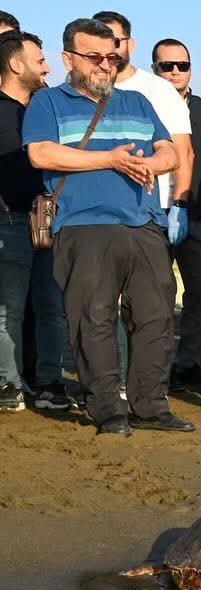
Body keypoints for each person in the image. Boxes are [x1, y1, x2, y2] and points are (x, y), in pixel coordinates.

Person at [25, 17, 193, 436]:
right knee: (93, 320)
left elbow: (170, 151)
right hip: (82, 228)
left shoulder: (137, 102)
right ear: (69, 58)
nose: (104, 65)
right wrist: (111, 159)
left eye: (112, 57)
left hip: (144, 225)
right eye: (94, 56)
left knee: (155, 316)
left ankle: (151, 406)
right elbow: (41, 155)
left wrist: (149, 165)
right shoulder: (48, 103)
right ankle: (108, 412)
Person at [151, 38, 201, 389]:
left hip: (198, 213)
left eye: (181, 65)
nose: (174, 72)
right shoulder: (142, 104)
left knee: (200, 291)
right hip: (153, 213)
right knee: (155, 295)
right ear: (154, 68)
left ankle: (190, 363)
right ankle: (155, 367)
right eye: (166, 65)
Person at [1, 31, 75, 412]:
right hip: (9, 222)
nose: (47, 66)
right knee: (9, 308)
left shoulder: (47, 107)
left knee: (52, 306)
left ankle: (50, 382)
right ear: (16, 64)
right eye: (40, 59)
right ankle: (9, 384)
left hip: (50, 220)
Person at [93, 12, 192, 244]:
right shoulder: (78, 89)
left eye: (116, 42)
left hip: (154, 207)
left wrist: (179, 205)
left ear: (131, 44)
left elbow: (183, 151)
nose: (109, 50)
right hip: (98, 209)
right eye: (100, 42)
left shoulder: (160, 90)